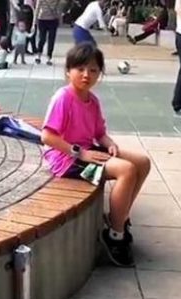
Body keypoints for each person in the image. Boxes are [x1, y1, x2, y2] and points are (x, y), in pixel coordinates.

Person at [40, 43, 150, 267]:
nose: (86, 75)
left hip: (86, 151)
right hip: (66, 160)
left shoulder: (93, 101)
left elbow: (100, 133)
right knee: (127, 170)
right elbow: (47, 137)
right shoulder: (63, 98)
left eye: (93, 70)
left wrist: (110, 145)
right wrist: (80, 154)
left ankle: (119, 215)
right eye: (80, 69)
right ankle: (115, 235)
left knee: (142, 162)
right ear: (68, 71)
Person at [34, 0, 59, 65]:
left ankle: (49, 57)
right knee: (42, 38)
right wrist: (34, 23)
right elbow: (37, 9)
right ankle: (39, 55)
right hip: (42, 20)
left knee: (51, 39)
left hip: (53, 20)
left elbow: (60, 7)